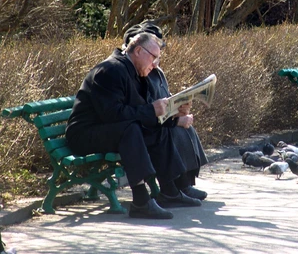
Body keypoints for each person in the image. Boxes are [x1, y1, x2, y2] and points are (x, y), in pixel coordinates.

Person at [66, 32, 202, 220]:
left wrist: (173, 114)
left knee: (154, 128)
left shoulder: (136, 72)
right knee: (131, 130)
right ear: (138, 50)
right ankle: (140, 201)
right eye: (154, 57)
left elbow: (141, 112)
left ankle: (169, 191)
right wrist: (151, 110)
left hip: (110, 130)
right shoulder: (110, 70)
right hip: (84, 135)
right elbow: (112, 115)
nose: (155, 64)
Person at [122, 21, 209, 201]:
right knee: (173, 130)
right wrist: (176, 120)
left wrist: (180, 108)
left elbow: (164, 99)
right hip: (147, 126)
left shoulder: (156, 71)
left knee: (186, 127)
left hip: (158, 120)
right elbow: (145, 107)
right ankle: (178, 186)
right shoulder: (136, 73)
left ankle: (185, 184)